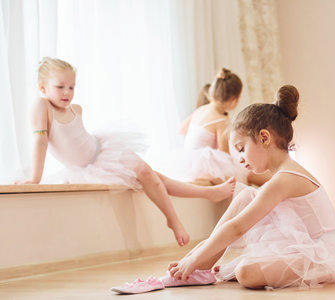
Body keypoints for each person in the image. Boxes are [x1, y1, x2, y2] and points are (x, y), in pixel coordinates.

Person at [111, 84, 335, 293]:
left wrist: (190, 258)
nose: (239, 158)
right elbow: (234, 221)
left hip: (321, 251)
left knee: (246, 272)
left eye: (241, 148)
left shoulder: (284, 179)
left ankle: (322, 270)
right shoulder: (278, 178)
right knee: (243, 196)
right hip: (300, 240)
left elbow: (238, 229)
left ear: (264, 138)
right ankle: (200, 269)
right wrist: (196, 257)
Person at [15, 57, 236, 247]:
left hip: (103, 152)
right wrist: (35, 179)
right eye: (60, 87)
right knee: (154, 178)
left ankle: (176, 218)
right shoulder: (41, 106)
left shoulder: (76, 109)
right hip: (88, 166)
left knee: (153, 177)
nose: (67, 92)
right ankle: (206, 196)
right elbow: (40, 142)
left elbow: (76, 141)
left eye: (72, 87)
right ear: (43, 87)